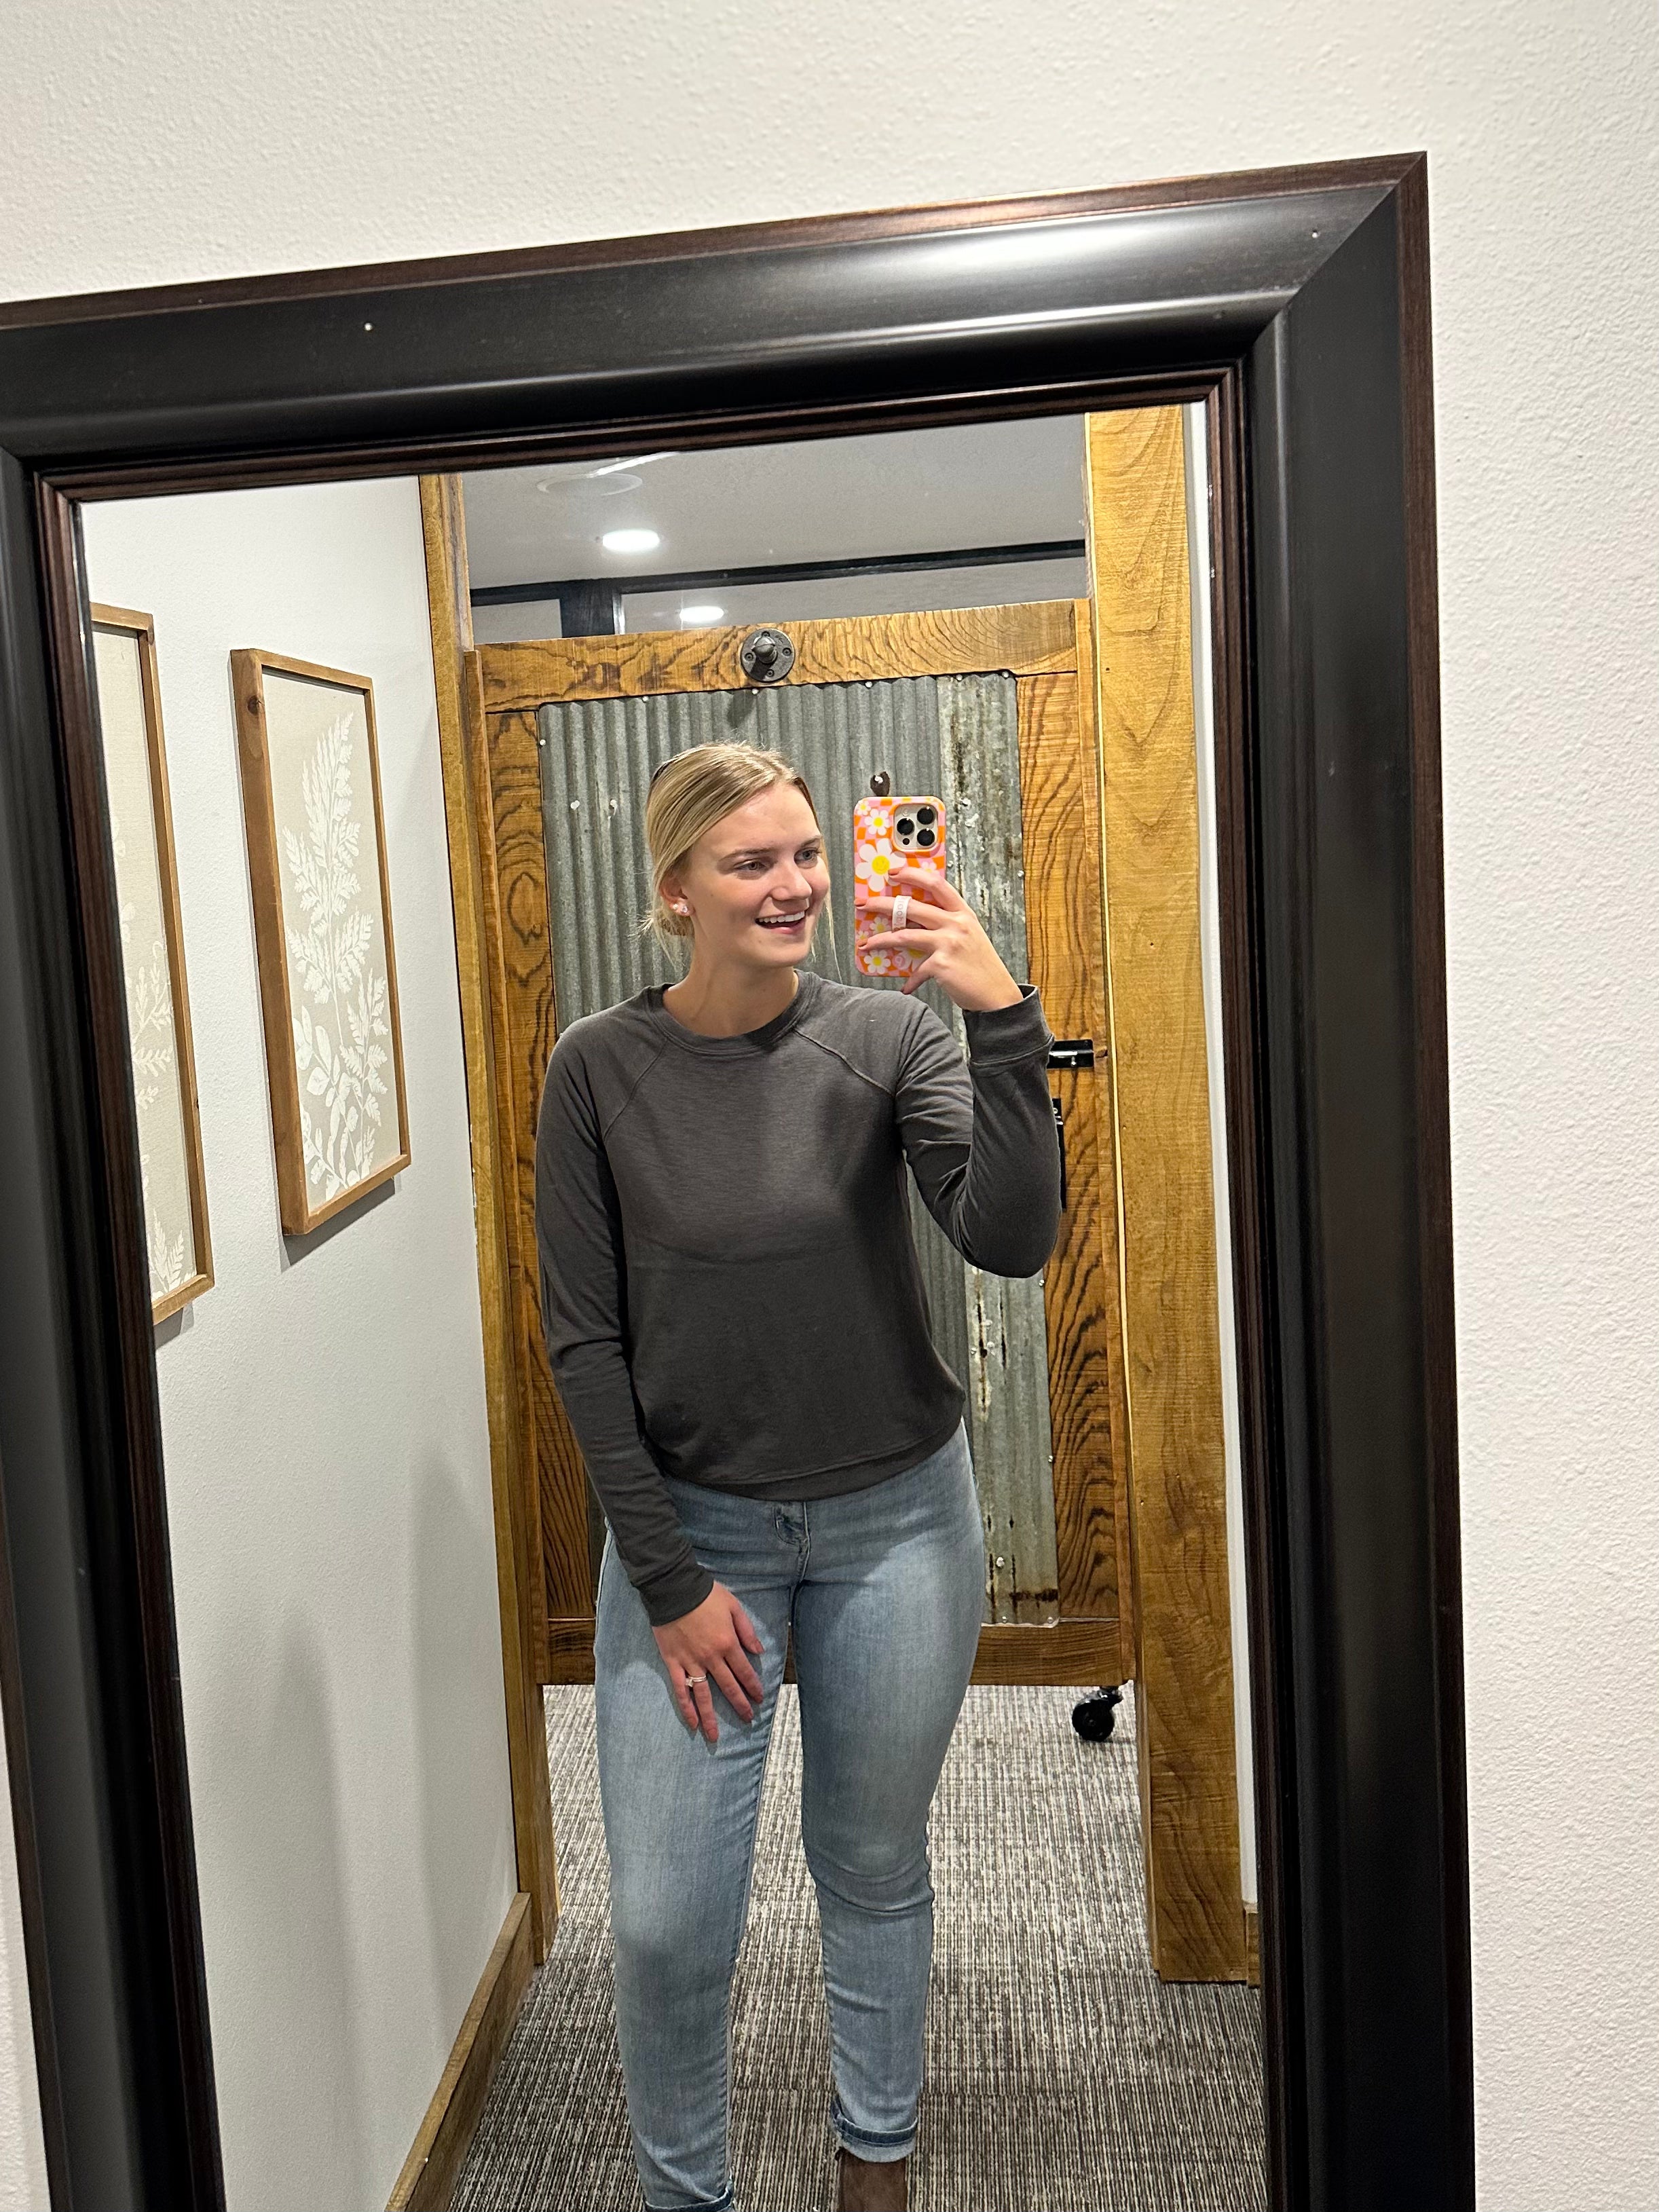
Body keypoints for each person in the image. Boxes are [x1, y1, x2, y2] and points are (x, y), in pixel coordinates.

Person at [534, 743, 1062, 2212]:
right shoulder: (598, 1067)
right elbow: (583, 1343)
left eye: (809, 853)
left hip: (897, 1525)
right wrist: (669, 1580)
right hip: (692, 1535)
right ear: (675, 889)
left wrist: (999, 1017)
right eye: (751, 861)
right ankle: (683, 2195)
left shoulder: (890, 1036)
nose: (795, 885)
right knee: (663, 1919)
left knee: (872, 1863)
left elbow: (1011, 1238)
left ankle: (872, 2171)